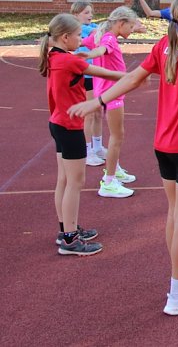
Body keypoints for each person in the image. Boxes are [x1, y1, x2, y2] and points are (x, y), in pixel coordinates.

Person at [70, 0, 178, 315]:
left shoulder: (165, 45)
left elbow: (131, 78)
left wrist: (97, 100)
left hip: (164, 146)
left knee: (175, 213)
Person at [40, 13, 125, 256]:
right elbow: (107, 74)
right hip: (70, 127)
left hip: (57, 123)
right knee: (75, 183)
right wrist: (136, 77)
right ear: (65, 37)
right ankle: (70, 239)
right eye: (79, 35)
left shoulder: (54, 55)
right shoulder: (70, 61)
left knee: (64, 181)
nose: (82, 39)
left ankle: (66, 229)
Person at [82, 6, 140, 198]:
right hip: (111, 93)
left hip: (109, 91)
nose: (132, 31)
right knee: (117, 136)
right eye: (131, 27)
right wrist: (91, 55)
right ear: (121, 24)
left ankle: (114, 168)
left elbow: (86, 42)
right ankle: (109, 182)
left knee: (117, 136)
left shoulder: (101, 34)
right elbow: (101, 50)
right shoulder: (109, 39)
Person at [70, 0, 107, 167]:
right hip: (85, 78)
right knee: (90, 113)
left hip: (95, 75)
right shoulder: (78, 29)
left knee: (98, 112)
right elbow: (97, 31)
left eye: (91, 12)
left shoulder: (91, 29)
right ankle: (87, 151)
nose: (90, 15)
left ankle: (98, 147)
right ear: (75, 15)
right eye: (86, 12)